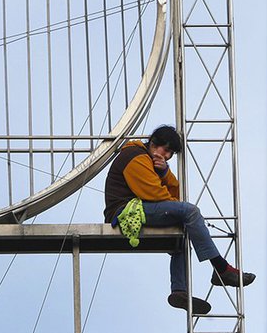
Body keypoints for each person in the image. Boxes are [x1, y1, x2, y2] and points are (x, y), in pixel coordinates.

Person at [103, 125, 255, 314]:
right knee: (190, 212)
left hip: (140, 208)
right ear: (153, 143)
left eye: (171, 153)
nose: (166, 156)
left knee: (184, 224)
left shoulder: (150, 161)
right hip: (125, 211)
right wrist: (173, 197)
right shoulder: (136, 157)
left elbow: (175, 194)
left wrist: (165, 173)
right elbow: (157, 195)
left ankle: (179, 290)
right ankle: (222, 268)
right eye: (165, 150)